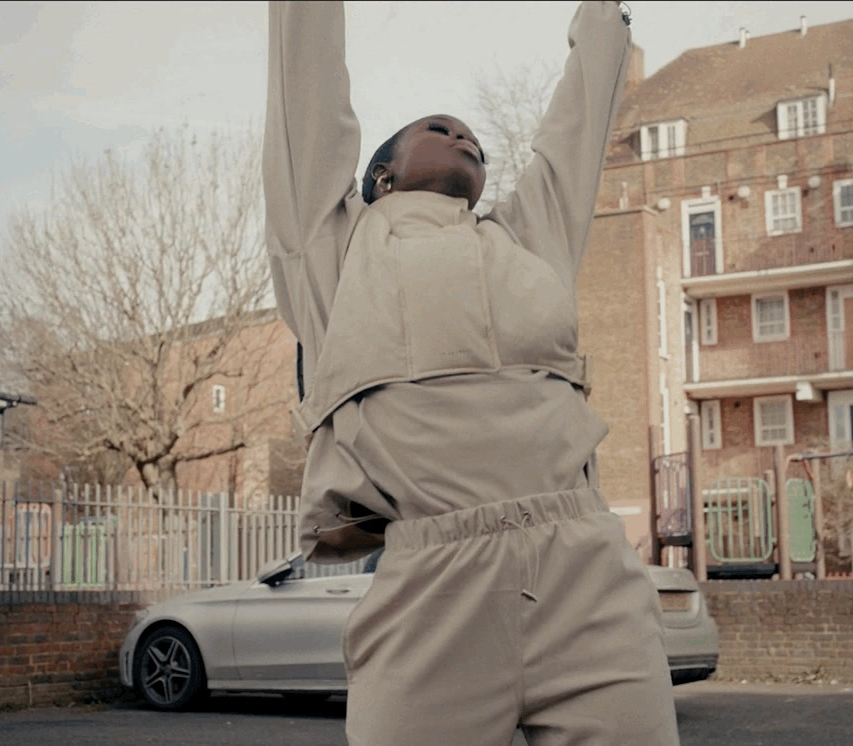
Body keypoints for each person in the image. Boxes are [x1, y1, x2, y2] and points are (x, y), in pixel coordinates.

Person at [263, 2, 680, 744]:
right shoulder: (332, 250)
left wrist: (606, 18)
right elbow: (308, 90)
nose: (464, 136)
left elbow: (574, 135)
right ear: (380, 177)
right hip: (433, 589)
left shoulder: (526, 243)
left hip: (587, 576)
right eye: (439, 128)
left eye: (475, 139)